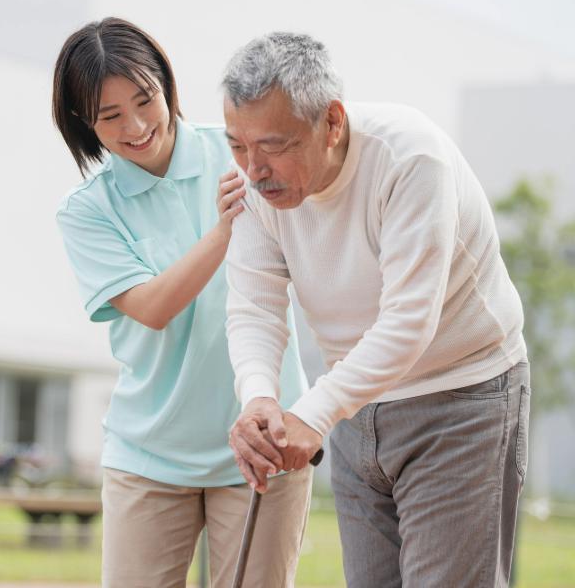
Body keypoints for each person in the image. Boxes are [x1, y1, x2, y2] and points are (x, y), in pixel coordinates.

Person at [221, 32, 530, 588]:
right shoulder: (253, 189)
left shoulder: (410, 159)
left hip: (462, 396)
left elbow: (409, 321)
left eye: (272, 145)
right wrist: (259, 397)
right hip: (356, 406)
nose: (254, 168)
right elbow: (254, 306)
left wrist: (312, 413)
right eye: (237, 145)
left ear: (332, 122)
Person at [54, 18, 311, 588]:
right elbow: (151, 306)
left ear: (166, 85)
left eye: (145, 100)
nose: (138, 125)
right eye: (110, 116)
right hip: (148, 455)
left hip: (261, 441)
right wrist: (222, 233)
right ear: (83, 122)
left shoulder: (238, 153)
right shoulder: (88, 210)